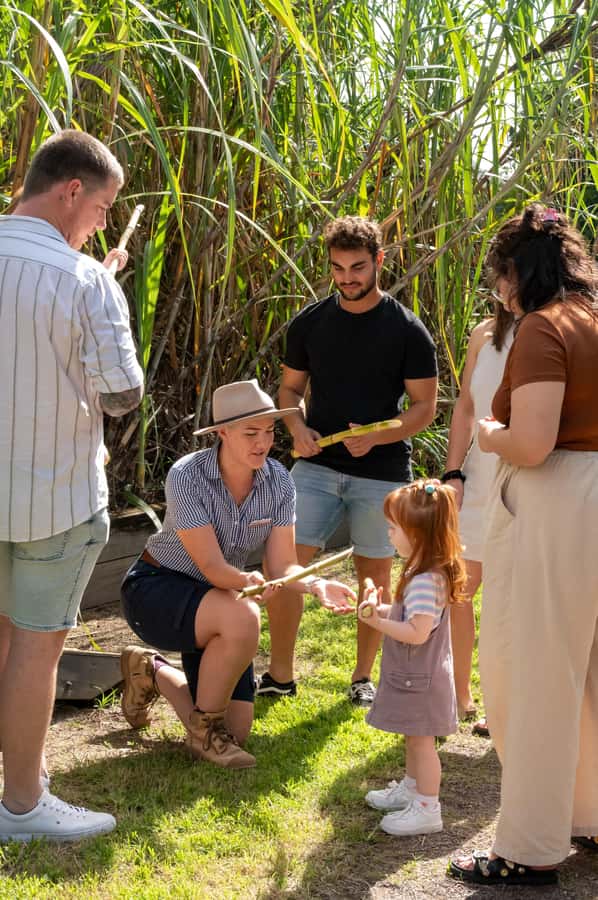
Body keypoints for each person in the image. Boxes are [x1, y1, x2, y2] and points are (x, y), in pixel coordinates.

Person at [0, 130, 144, 842]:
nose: (103, 224)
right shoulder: (87, 282)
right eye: (103, 207)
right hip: (53, 496)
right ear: (71, 192)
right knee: (35, 649)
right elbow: (121, 395)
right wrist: (105, 290)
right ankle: (22, 804)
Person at [449, 204, 598, 886]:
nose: (497, 291)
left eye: (499, 276)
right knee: (588, 675)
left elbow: (533, 444)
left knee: (533, 677)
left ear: (521, 271)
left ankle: (529, 848)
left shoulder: (544, 329)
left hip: (558, 505)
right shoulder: (594, 320)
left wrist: (487, 434)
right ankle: (589, 816)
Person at [119, 380, 357, 769]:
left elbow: (281, 567)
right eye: (250, 433)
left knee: (237, 731)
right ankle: (204, 736)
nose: (262, 442)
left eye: (268, 431)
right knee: (244, 614)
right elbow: (212, 567)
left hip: (218, 598)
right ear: (221, 433)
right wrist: (247, 582)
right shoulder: (186, 475)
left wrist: (315, 584)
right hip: (157, 588)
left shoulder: (279, 479)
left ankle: (151, 670)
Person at [257, 215, 438, 706]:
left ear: (379, 261)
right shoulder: (311, 322)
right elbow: (290, 391)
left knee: (374, 576)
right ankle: (280, 674)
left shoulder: (407, 330)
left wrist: (381, 436)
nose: (347, 278)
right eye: (338, 268)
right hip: (315, 467)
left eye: (357, 267)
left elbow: (425, 407)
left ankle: (362, 678)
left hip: (381, 471)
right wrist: (297, 427)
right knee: (287, 568)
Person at [358, 479, 465, 836]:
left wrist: (377, 622)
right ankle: (412, 786)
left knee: (422, 741)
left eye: (393, 528)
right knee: (414, 737)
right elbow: (414, 618)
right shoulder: (425, 572)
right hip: (419, 677)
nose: (388, 534)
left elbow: (417, 633)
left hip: (421, 679)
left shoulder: (422, 580)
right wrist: (381, 609)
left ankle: (427, 807)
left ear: (416, 534)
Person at [442, 304, 514, 729]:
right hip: (477, 478)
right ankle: (458, 694)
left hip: (526, 476)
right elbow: (466, 407)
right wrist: (453, 473)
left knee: (511, 599)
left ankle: (500, 705)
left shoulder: (555, 329)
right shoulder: (482, 334)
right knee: (459, 590)